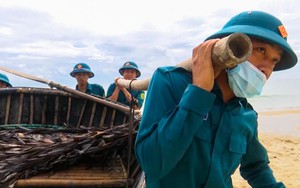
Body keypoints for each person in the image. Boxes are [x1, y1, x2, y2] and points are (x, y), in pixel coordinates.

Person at [135, 11, 297, 188]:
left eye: (274, 60)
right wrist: (199, 92)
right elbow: (152, 164)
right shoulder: (170, 82)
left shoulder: (246, 114)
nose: (267, 68)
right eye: (260, 50)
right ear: (229, 45)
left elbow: (256, 167)